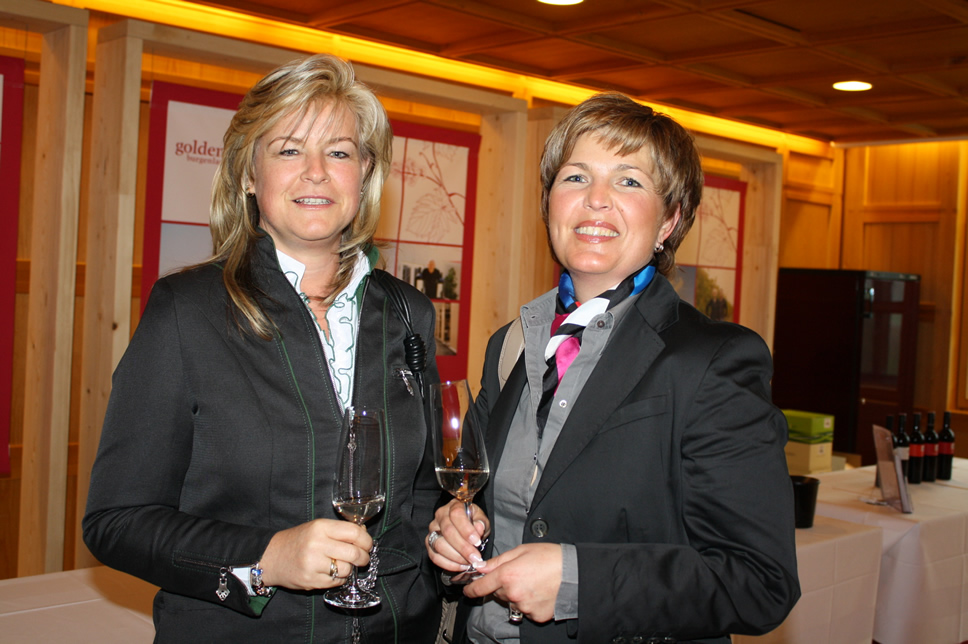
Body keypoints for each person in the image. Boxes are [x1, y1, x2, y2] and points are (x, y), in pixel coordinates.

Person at [83, 54, 442, 642]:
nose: (316, 172)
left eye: (339, 152)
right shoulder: (187, 311)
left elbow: (421, 494)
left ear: (365, 173)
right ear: (249, 174)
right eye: (289, 149)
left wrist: (445, 533)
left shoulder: (409, 314)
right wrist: (265, 558)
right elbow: (116, 521)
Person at [426, 93, 800, 643]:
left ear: (669, 219)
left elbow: (759, 581)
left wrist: (578, 581)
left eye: (628, 181)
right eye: (576, 177)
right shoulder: (510, 344)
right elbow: (476, 496)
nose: (595, 200)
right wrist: (453, 529)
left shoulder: (713, 361)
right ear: (549, 203)